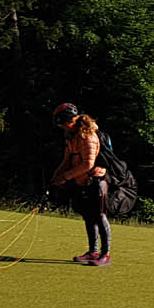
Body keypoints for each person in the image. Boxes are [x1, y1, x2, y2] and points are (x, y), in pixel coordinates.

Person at [50, 103, 112, 266]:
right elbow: (66, 160)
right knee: (88, 216)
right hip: (81, 182)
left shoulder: (88, 136)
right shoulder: (71, 136)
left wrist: (64, 178)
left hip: (96, 182)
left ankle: (105, 255)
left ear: (71, 120)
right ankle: (93, 252)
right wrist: (55, 177)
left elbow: (88, 165)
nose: (62, 127)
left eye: (63, 123)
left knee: (100, 216)